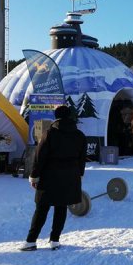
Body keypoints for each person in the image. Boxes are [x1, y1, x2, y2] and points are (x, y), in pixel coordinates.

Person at [20, 105, 87, 251]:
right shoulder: (80, 135)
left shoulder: (50, 133)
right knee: (61, 207)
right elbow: (82, 159)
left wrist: (34, 176)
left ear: (56, 116)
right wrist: (79, 174)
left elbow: (39, 157)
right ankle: (55, 240)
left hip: (50, 176)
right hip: (70, 175)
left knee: (42, 208)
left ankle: (31, 241)